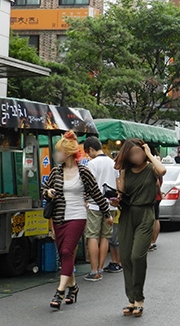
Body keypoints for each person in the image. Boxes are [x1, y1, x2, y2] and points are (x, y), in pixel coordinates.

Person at [43, 131, 113, 309]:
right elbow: (45, 188)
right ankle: (73, 288)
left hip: (78, 216)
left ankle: (60, 291)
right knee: (64, 254)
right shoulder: (56, 171)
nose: (56, 155)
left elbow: (97, 194)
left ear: (67, 153)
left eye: (59, 151)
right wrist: (48, 192)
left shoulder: (84, 171)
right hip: (59, 216)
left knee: (67, 251)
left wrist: (107, 214)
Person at [114, 138, 167, 317]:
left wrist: (150, 154)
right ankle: (131, 299)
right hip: (127, 214)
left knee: (137, 256)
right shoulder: (126, 171)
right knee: (126, 257)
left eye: (138, 152)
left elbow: (163, 170)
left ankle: (139, 298)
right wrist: (116, 196)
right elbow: (121, 193)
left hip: (146, 214)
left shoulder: (151, 168)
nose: (135, 156)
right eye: (131, 154)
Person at [83, 137, 119, 282]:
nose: (88, 155)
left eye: (87, 152)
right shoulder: (113, 163)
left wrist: (86, 200)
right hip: (110, 204)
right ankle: (100, 268)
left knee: (92, 236)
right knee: (105, 236)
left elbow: (88, 186)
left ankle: (93, 271)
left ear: (91, 149)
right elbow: (118, 183)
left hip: (94, 204)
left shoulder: (91, 164)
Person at [149, 153, 163, 251]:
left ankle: (150, 241)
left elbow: (157, 184)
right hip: (157, 197)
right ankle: (153, 240)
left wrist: (159, 194)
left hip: (152, 197)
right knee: (156, 218)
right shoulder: (159, 170)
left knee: (152, 219)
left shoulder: (153, 170)